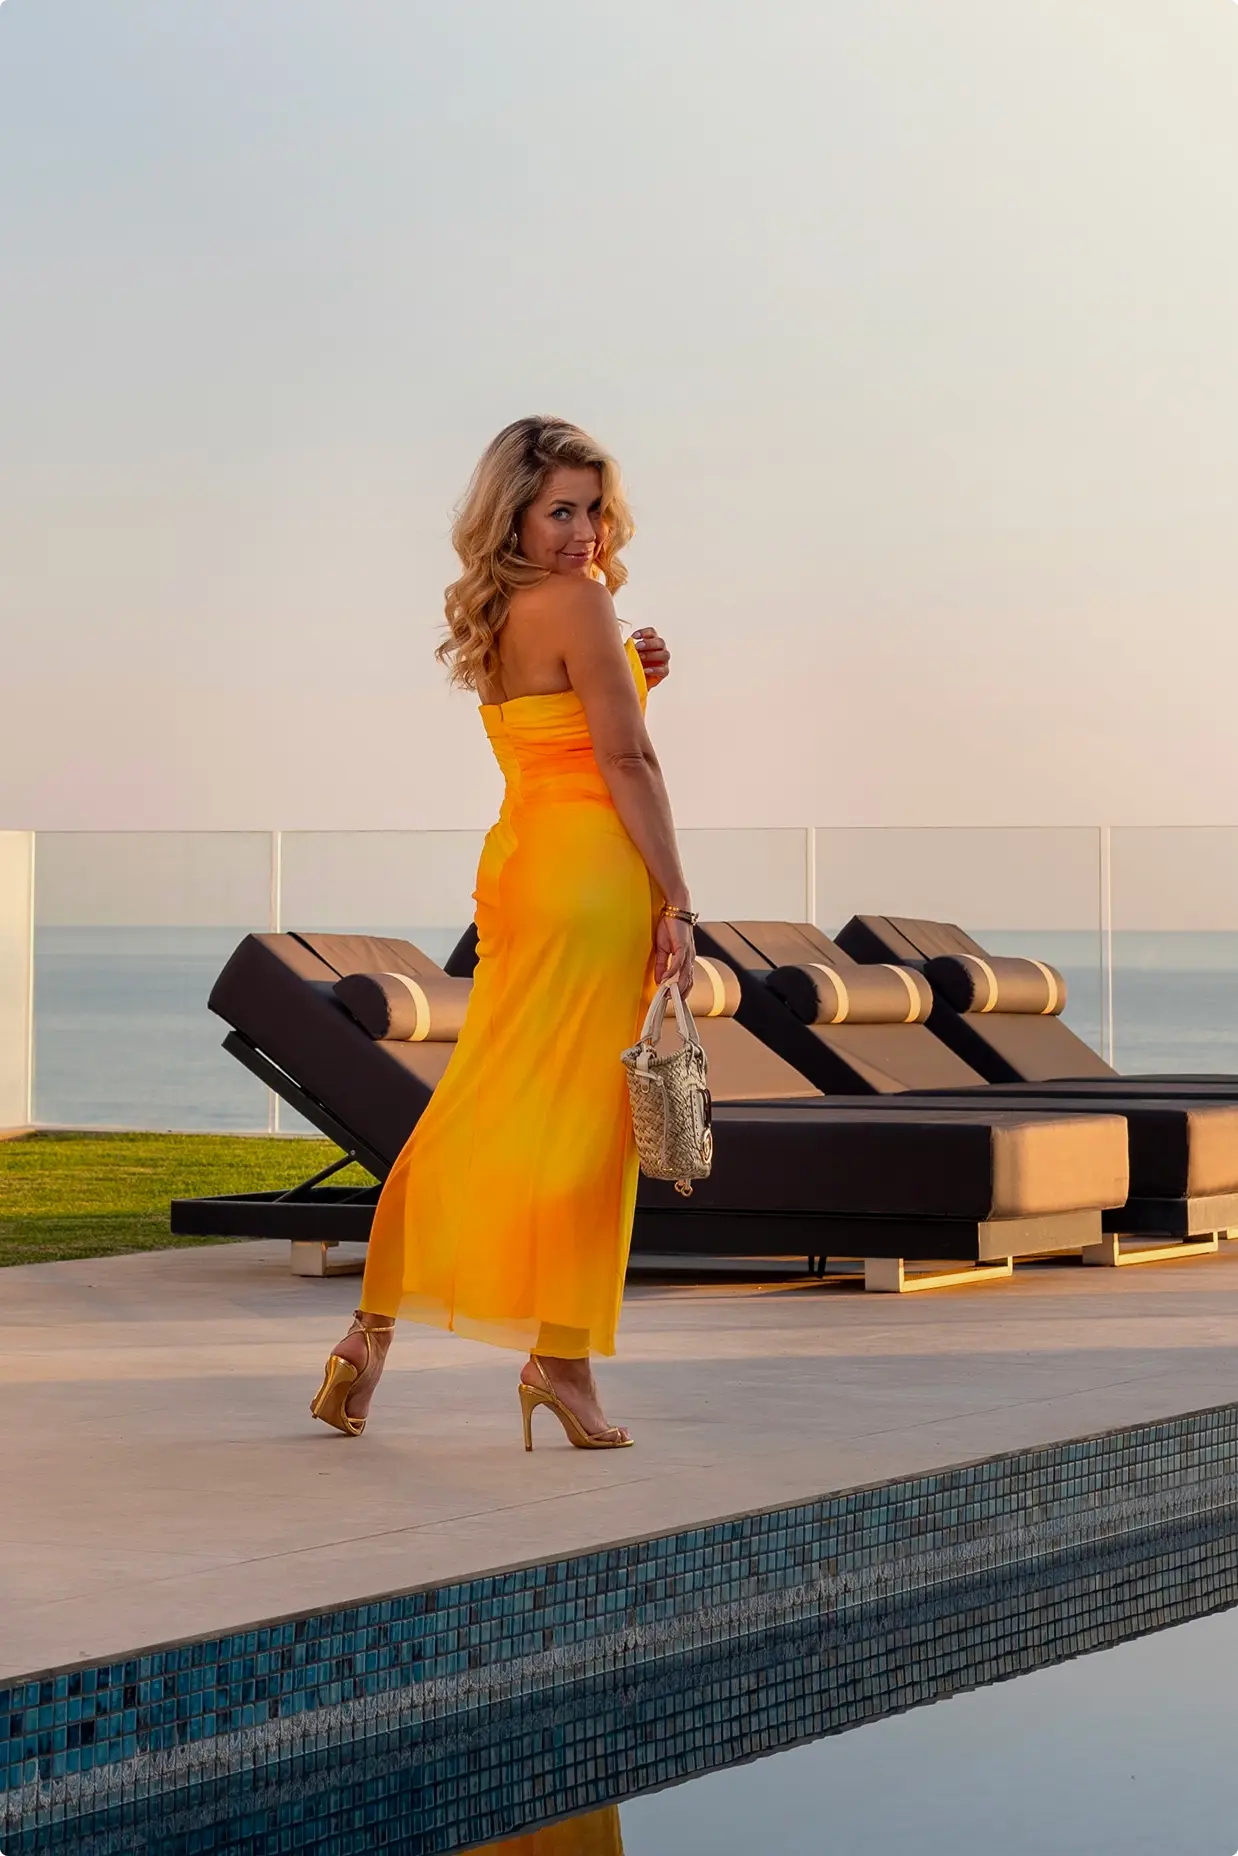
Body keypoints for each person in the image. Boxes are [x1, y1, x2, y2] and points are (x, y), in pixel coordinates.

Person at [311, 416, 696, 1449]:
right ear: (514, 516)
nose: (581, 529)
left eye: (592, 508)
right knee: (587, 1127)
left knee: (480, 1098)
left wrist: (630, 667)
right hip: (590, 876)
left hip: (518, 872)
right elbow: (624, 765)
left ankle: (366, 1334)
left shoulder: (500, 610)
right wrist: (678, 903)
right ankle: (560, 1359)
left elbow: (556, 726)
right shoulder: (582, 600)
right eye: (558, 509)